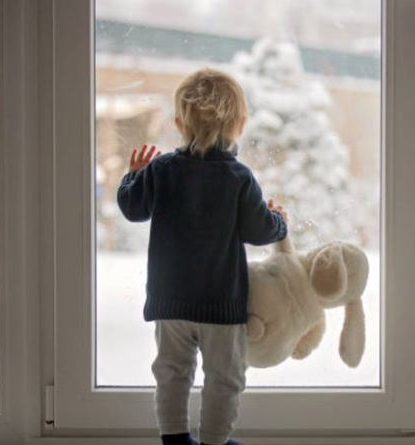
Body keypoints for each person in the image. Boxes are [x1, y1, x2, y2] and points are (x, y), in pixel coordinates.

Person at [117, 67, 288, 445]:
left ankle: (174, 438)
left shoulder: (161, 170)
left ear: (179, 122)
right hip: (220, 303)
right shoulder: (239, 178)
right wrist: (279, 221)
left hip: (171, 302)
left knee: (172, 372)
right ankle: (214, 441)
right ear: (239, 124)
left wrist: (134, 175)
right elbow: (260, 230)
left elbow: (133, 208)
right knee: (224, 378)